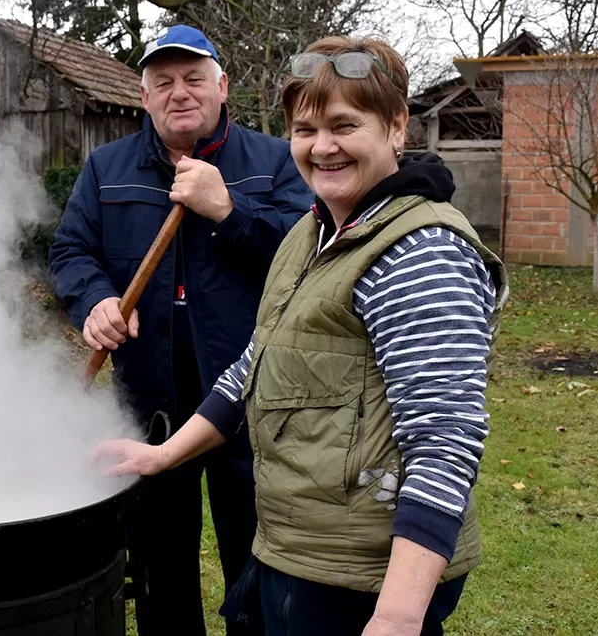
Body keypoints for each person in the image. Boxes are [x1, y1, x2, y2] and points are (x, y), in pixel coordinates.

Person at [95, 35, 508, 636]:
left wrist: (396, 614)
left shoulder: (420, 252)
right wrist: (165, 454)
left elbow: (444, 438)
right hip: (294, 548)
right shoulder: (312, 232)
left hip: (361, 577)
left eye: (345, 125)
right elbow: (258, 362)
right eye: (306, 129)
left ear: (396, 127)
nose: (323, 147)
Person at [48, 24, 312, 636]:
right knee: (157, 566)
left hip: (251, 401)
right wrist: (96, 299)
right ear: (144, 97)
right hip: (148, 401)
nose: (179, 93)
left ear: (223, 86)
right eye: (162, 82)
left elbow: (311, 259)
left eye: (194, 78)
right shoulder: (106, 168)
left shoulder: (276, 162)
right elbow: (70, 252)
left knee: (258, 556)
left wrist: (229, 209)